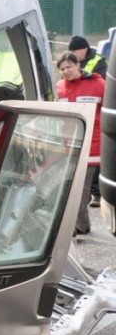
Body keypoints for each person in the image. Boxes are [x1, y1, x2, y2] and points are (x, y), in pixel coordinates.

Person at [56, 51, 105, 235]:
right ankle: (83, 224)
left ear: (78, 65)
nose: (66, 71)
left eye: (69, 67)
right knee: (71, 184)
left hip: (92, 144)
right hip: (70, 144)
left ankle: (76, 225)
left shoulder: (98, 84)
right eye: (62, 69)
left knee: (82, 185)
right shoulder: (59, 87)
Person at [68, 36, 108, 207]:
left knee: (95, 164)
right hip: (82, 123)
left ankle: (98, 195)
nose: (73, 55)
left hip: (96, 123)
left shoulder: (99, 63)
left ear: (83, 49)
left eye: (74, 52)